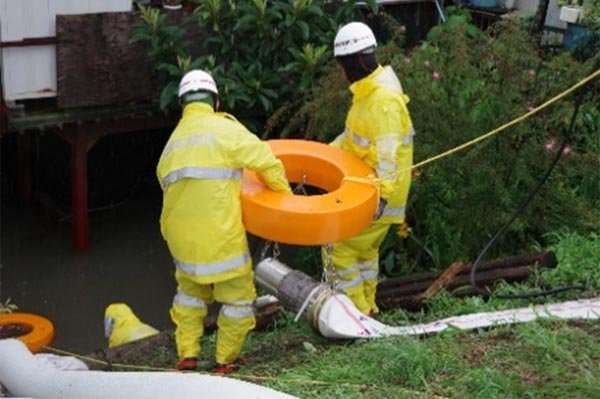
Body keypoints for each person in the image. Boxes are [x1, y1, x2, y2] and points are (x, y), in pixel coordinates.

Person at [156, 69, 291, 374]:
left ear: (183, 104)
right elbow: (267, 161)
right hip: (221, 238)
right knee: (239, 300)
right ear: (216, 101)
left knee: (189, 298)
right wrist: (285, 203)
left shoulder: (171, 145)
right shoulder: (226, 130)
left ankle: (187, 356)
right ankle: (224, 361)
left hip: (180, 240)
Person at [324, 22, 415, 316]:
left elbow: (387, 157)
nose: (340, 72)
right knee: (364, 252)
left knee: (337, 247)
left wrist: (382, 197)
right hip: (374, 190)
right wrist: (322, 154)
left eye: (342, 65)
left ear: (354, 62)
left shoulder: (382, 100)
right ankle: (368, 309)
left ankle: (353, 314)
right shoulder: (368, 93)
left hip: (379, 194)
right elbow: (353, 141)